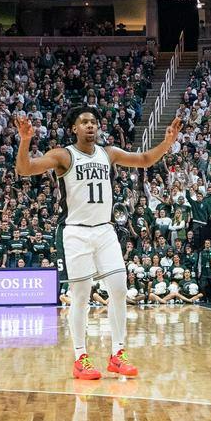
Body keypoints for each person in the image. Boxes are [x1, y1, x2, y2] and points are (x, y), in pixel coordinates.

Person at [13, 106, 183, 380]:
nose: (90, 126)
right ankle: (80, 357)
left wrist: (167, 142)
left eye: (93, 121)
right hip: (76, 233)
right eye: (84, 122)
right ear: (74, 129)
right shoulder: (63, 155)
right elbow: (24, 168)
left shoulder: (109, 153)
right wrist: (24, 140)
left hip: (104, 230)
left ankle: (118, 354)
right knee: (80, 297)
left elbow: (144, 159)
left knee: (119, 289)